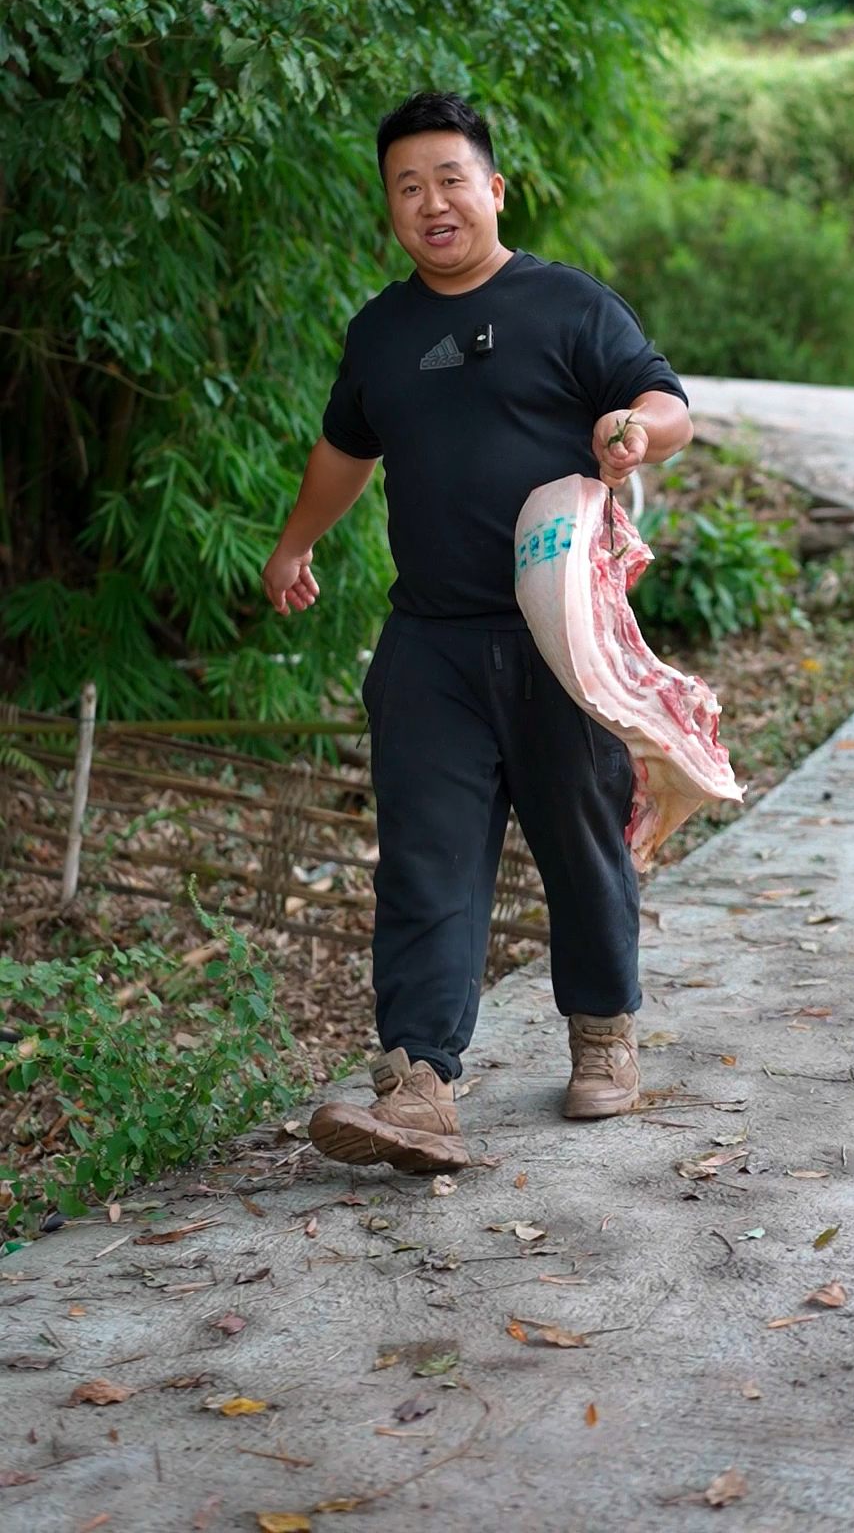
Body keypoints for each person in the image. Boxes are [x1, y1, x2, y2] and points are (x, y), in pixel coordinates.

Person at [262, 91, 693, 1173]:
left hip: (558, 635)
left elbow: (665, 402)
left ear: (493, 190)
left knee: (582, 843)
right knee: (424, 859)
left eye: (451, 178)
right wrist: (295, 544)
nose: (431, 202)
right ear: (391, 211)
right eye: (407, 187)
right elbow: (343, 451)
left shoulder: (568, 306)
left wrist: (633, 428)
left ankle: (602, 1034)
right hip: (431, 644)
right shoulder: (382, 331)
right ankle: (418, 1082)